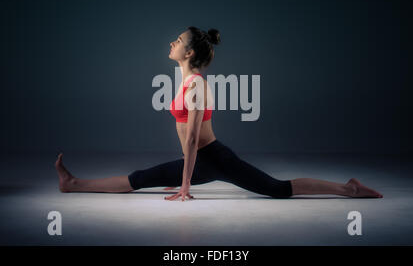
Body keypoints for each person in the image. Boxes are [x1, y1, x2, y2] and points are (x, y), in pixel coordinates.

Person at [55, 26, 383, 201]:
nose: (172, 42)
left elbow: (195, 137)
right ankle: (72, 183)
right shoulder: (185, 81)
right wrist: (182, 175)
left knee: (277, 189)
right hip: (198, 161)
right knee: (142, 178)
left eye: (178, 40)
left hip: (215, 158)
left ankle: (348, 188)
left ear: (190, 51)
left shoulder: (196, 85)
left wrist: (185, 184)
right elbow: (186, 136)